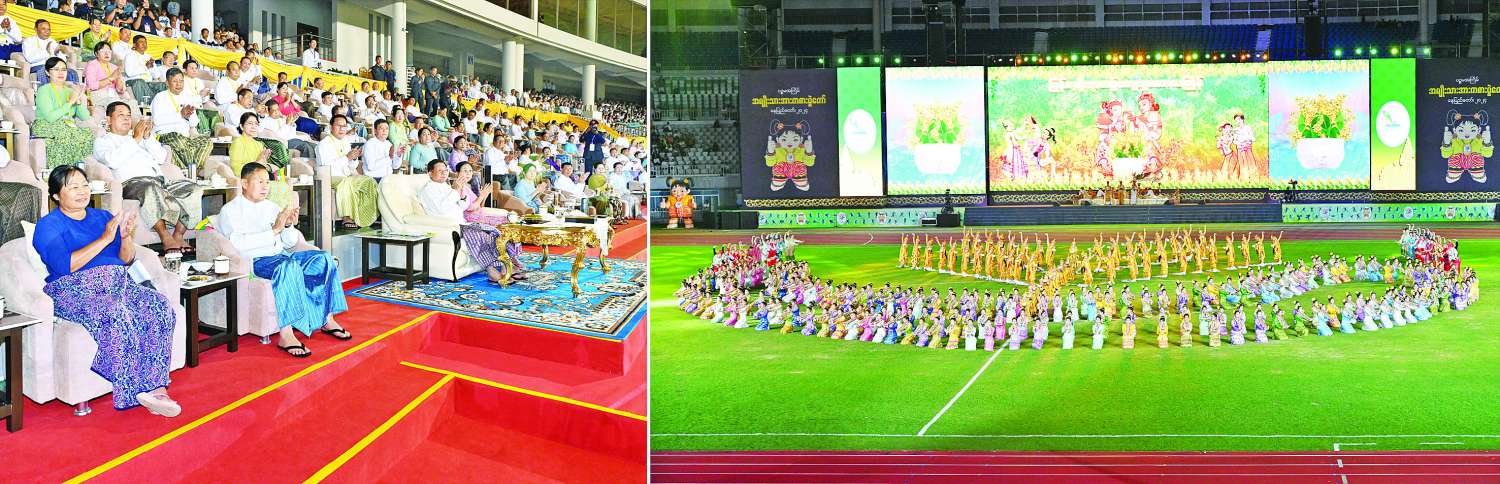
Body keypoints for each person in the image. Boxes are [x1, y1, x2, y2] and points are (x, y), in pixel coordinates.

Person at [33, 166, 180, 416]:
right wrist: (105, 238)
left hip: (118, 283)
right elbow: (64, 265)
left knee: (159, 304)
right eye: (73, 187)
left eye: (84, 185)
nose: (82, 191)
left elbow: (126, 259)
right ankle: (135, 389)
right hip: (74, 289)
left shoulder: (102, 217)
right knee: (114, 310)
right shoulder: (48, 226)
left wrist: (125, 236)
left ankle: (156, 387)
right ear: (56, 195)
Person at [216, 163, 351, 357]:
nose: (265, 187)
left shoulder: (272, 207)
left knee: (323, 259)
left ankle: (327, 319)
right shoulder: (230, 210)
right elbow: (238, 245)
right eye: (260, 182)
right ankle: (286, 334)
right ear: (244, 183)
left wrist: (287, 226)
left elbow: (290, 242)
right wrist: (274, 231)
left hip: (282, 256)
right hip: (257, 261)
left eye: (267, 182)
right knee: (288, 266)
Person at [95, 101, 200, 252]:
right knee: (150, 188)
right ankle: (165, 237)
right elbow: (112, 161)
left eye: (128, 115)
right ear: (109, 120)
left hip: (161, 183)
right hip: (133, 184)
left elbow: (162, 157)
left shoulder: (140, 139)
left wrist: (148, 137)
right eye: (121, 115)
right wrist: (135, 139)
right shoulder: (103, 141)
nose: (126, 119)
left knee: (193, 188)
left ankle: (178, 235)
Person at [317, 114, 379, 228]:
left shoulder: (345, 142)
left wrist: (354, 158)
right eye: (338, 126)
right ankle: (347, 217)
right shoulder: (323, 144)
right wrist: (347, 158)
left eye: (344, 126)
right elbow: (326, 166)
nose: (342, 129)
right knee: (346, 182)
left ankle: (367, 216)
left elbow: (351, 165)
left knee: (369, 181)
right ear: (331, 127)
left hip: (347, 176)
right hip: (330, 176)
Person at [34, 57, 96, 170]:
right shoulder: (43, 90)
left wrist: (78, 101)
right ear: (47, 72)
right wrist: (70, 102)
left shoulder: (70, 91)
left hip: (67, 126)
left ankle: (78, 170)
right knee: (67, 135)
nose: (61, 73)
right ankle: (62, 172)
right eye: (56, 69)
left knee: (87, 135)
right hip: (46, 125)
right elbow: (50, 117)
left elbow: (85, 117)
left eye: (63, 69)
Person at [152, 68, 214, 171]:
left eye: (181, 81)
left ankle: (191, 169)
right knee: (179, 140)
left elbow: (193, 123)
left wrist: (190, 115)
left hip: (186, 138)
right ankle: (194, 170)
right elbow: (157, 121)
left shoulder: (187, 97)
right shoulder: (160, 97)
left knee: (207, 141)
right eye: (175, 81)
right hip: (168, 136)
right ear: (167, 83)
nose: (179, 84)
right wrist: (180, 115)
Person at [84, 41, 137, 114]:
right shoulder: (92, 65)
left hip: (114, 95)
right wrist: (111, 78)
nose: (107, 53)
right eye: (103, 51)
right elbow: (91, 86)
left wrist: (119, 79)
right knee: (117, 105)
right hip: (97, 94)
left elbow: (120, 90)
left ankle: (137, 121)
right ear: (96, 54)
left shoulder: (114, 67)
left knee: (133, 103)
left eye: (109, 51)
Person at [23, 20, 73, 84]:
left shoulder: (53, 41)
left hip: (55, 67)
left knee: (71, 72)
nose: (47, 31)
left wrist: (58, 52)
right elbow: (30, 59)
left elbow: (63, 60)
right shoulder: (28, 41)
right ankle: (46, 90)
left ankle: (73, 90)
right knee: (45, 71)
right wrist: (47, 52)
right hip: (39, 66)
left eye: (49, 29)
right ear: (36, 29)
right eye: (43, 29)